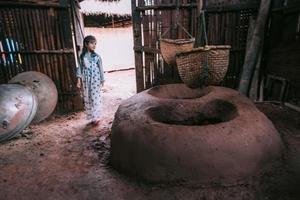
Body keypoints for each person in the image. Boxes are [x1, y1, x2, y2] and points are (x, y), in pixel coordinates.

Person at [76, 35, 105, 125]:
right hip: (86, 81)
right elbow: (80, 68)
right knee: (88, 97)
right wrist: (78, 80)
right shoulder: (82, 57)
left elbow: (100, 68)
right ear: (86, 44)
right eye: (92, 43)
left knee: (95, 98)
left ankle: (97, 118)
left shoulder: (97, 57)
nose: (94, 45)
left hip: (95, 80)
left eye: (95, 43)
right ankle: (92, 117)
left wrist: (102, 79)